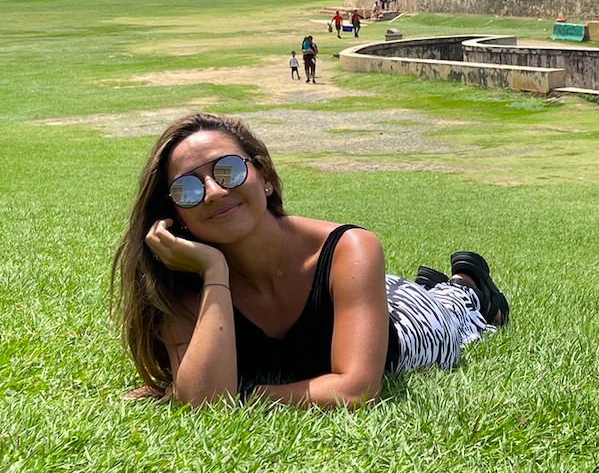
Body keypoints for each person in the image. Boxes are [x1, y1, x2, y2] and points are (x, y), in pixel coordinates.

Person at [111, 113, 509, 406]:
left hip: (406, 323)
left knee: (451, 314)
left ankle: (466, 284)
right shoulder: (182, 276)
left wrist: (242, 393)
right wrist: (215, 272)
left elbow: (356, 389)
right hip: (359, 292)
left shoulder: (350, 247)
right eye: (187, 189)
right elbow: (204, 402)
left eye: (228, 170)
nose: (213, 192)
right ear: (175, 214)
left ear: (263, 177)